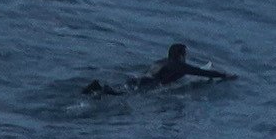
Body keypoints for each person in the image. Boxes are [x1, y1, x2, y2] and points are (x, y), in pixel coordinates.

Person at [83, 43, 235, 95]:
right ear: (181, 55)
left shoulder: (162, 61)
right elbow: (203, 72)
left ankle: (99, 89)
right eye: (185, 54)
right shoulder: (179, 65)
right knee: (122, 95)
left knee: (123, 90)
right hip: (148, 84)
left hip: (138, 78)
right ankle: (101, 90)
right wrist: (225, 75)